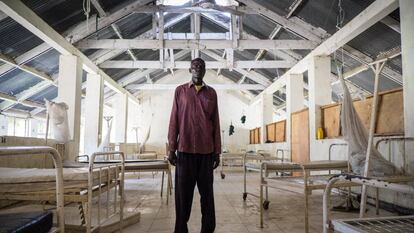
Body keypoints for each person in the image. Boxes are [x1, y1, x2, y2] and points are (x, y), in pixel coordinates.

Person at [168, 57, 221, 233]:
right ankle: (181, 230)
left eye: (201, 66)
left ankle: (207, 230)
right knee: (183, 198)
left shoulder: (212, 93)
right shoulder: (180, 91)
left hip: (206, 153)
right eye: (195, 66)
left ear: (205, 70)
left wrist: (217, 151)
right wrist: (171, 149)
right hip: (185, 152)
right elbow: (174, 120)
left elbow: (216, 123)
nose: (198, 69)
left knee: (207, 197)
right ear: (190, 70)